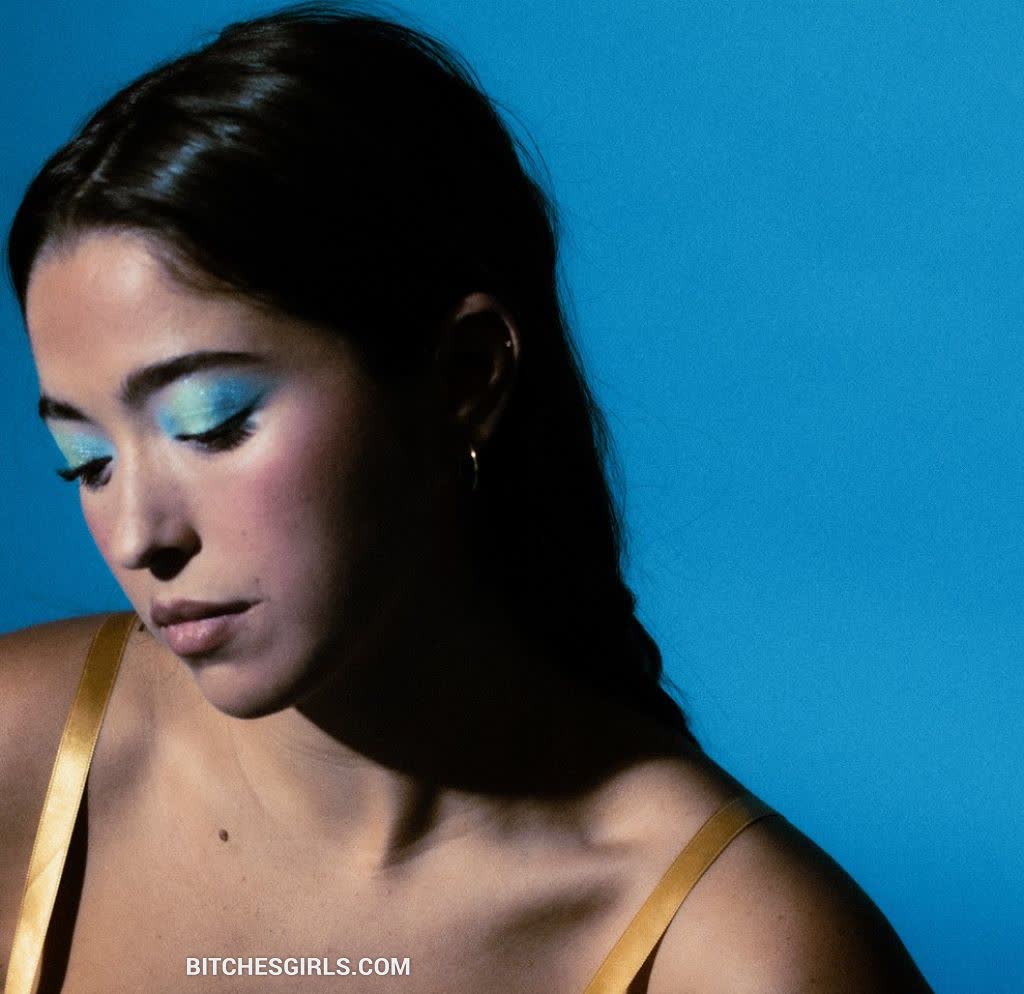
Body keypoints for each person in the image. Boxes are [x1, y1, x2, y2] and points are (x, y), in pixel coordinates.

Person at [0, 4, 934, 991]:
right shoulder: (24, 753)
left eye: (212, 421)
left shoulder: (750, 957)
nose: (138, 534)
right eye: (85, 460)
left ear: (464, 377)